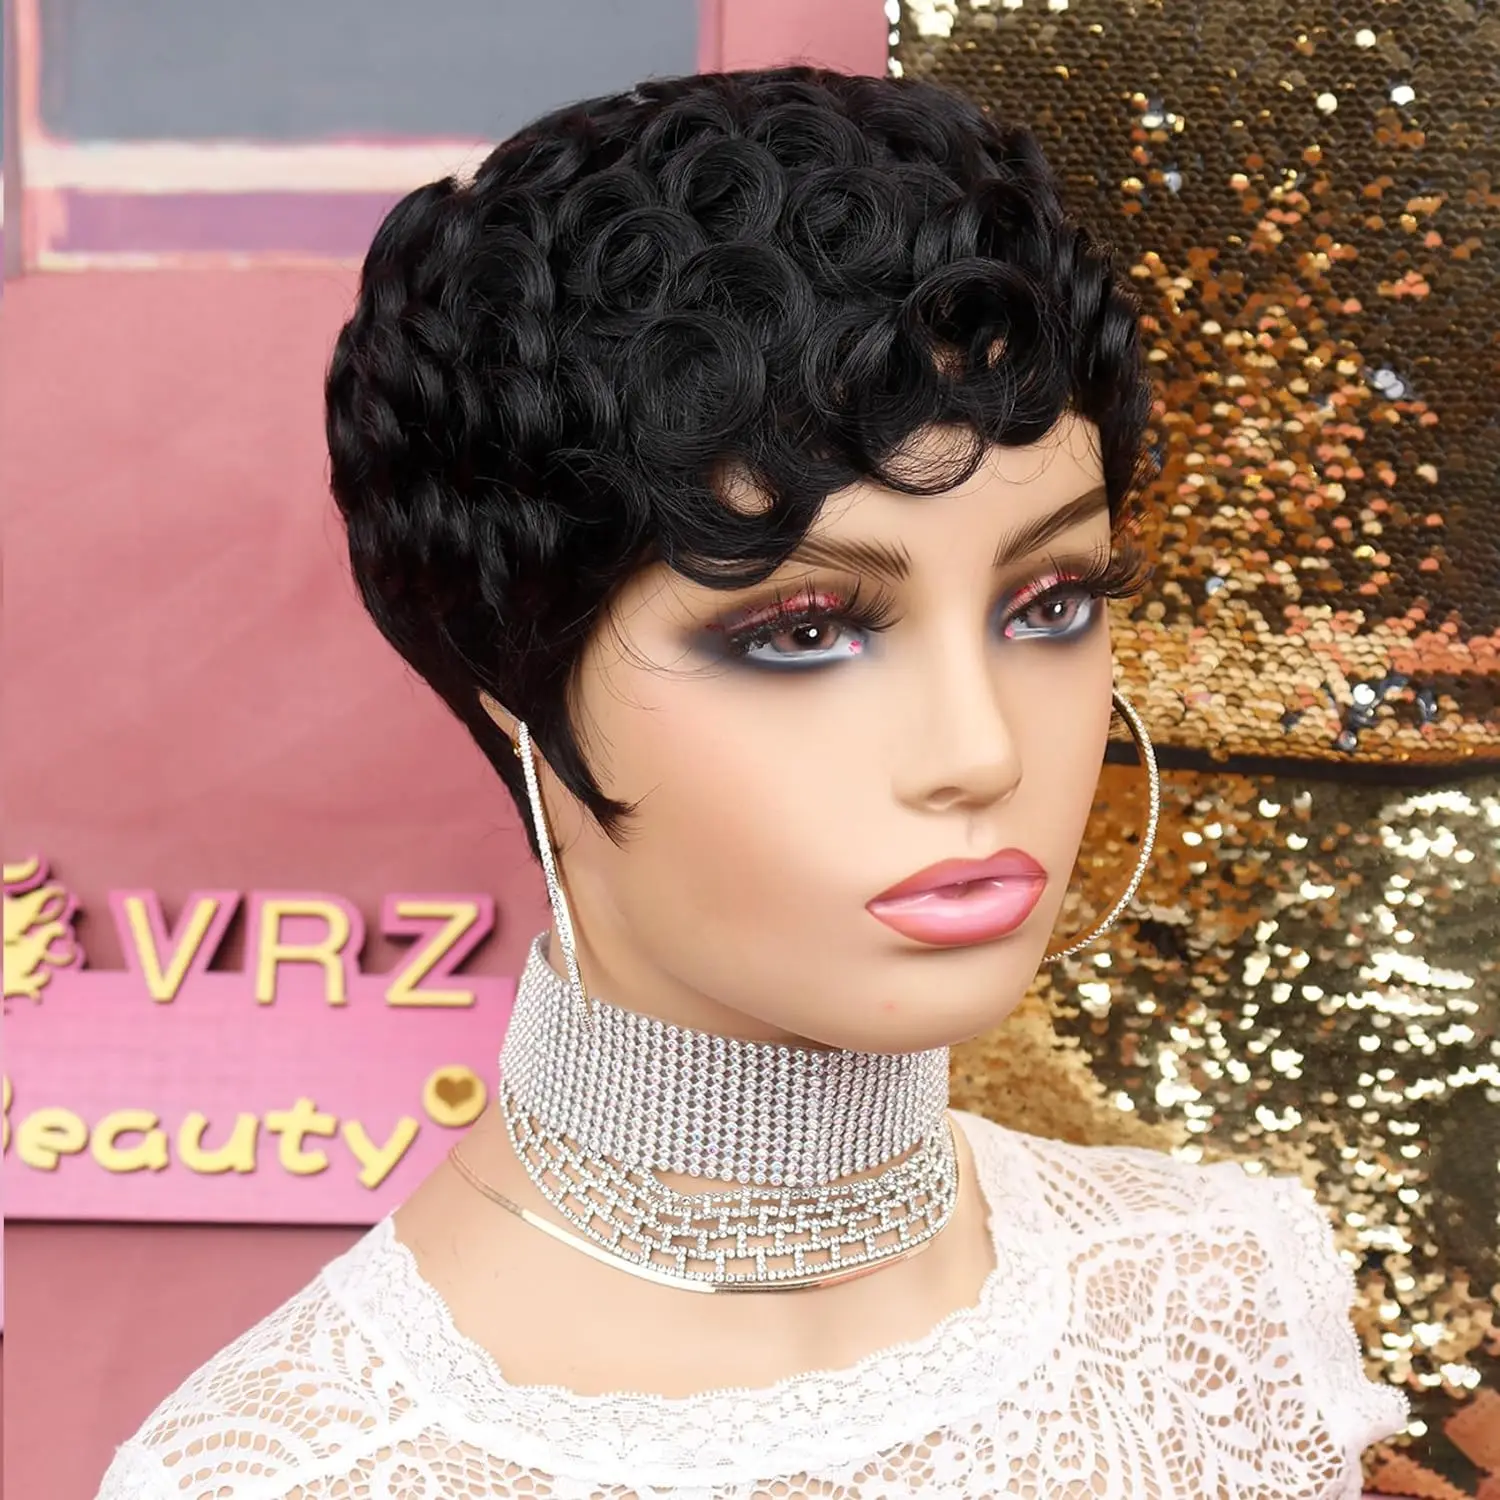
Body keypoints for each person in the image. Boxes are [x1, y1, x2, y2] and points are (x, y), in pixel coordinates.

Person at [97, 67, 1408, 1498]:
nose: (981, 750)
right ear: (513, 691)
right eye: (804, 631)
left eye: (1049, 602)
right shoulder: (304, 1470)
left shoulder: (1228, 1310)